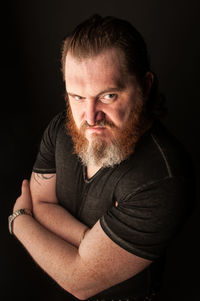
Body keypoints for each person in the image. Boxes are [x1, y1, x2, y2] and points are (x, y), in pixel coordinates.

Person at [9, 15, 195, 301]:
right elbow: (42, 202)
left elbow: (78, 281)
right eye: (77, 97)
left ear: (144, 87)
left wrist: (19, 222)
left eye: (108, 96)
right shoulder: (61, 128)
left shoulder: (162, 178)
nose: (90, 116)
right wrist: (88, 243)